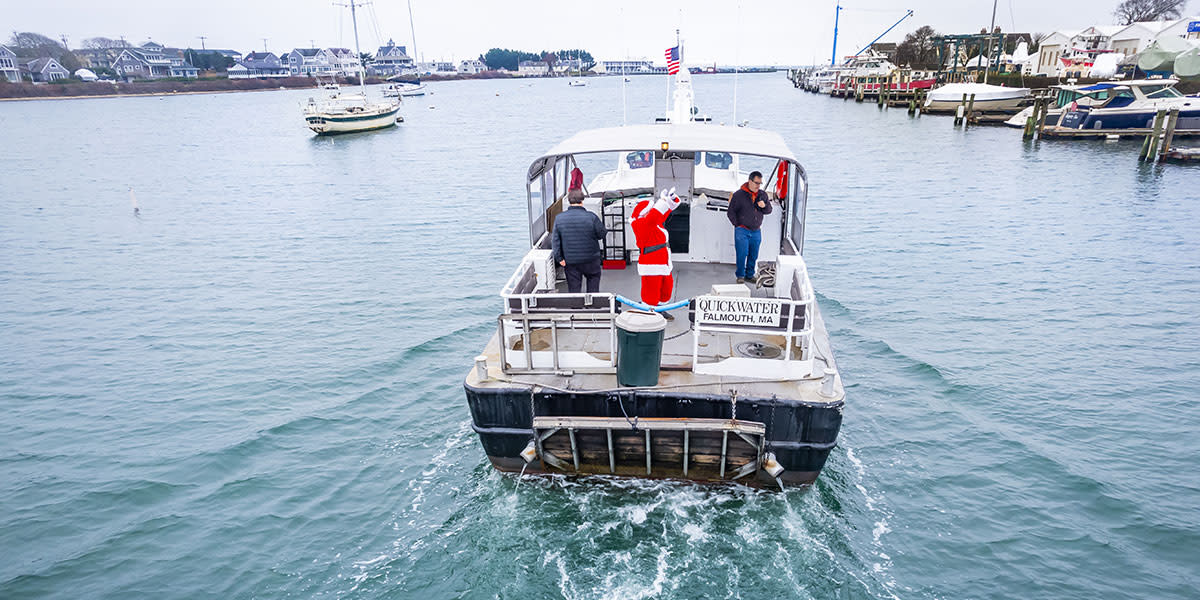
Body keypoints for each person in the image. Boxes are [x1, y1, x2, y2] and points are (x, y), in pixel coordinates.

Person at [551, 168, 606, 293]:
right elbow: (601, 234)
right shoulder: (591, 217)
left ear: (569, 201)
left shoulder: (559, 219)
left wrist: (560, 259)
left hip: (571, 261)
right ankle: (593, 308)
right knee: (593, 282)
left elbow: (556, 242)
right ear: (582, 200)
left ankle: (576, 309)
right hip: (591, 259)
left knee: (574, 289)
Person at [631, 187, 682, 318]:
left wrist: (671, 200)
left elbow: (662, 213)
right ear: (644, 213)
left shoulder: (653, 222)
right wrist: (663, 200)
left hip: (663, 262)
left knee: (666, 288)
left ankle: (658, 307)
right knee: (651, 291)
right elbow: (655, 214)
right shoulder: (641, 224)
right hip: (651, 264)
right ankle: (648, 311)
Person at [727, 170, 772, 284]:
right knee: (742, 253)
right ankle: (740, 275)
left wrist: (764, 205)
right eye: (756, 183)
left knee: (754, 254)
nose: (758, 185)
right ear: (750, 181)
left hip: (756, 231)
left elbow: (769, 210)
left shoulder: (763, 195)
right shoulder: (738, 195)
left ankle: (749, 275)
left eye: (760, 183)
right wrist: (737, 225)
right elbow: (731, 212)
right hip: (742, 229)